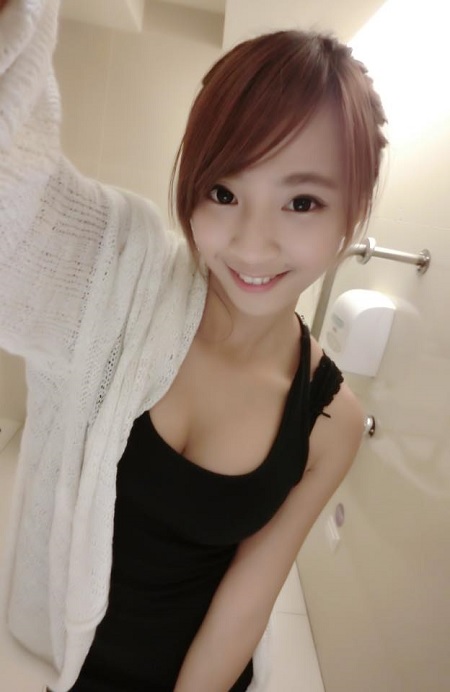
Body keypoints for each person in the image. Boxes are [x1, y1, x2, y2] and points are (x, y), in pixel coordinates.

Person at [0, 0, 387, 690]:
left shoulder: (332, 421)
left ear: (352, 214)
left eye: (302, 202)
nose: (252, 244)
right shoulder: (118, 276)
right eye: (222, 191)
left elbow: (248, 598)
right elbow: (15, 188)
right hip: (67, 660)